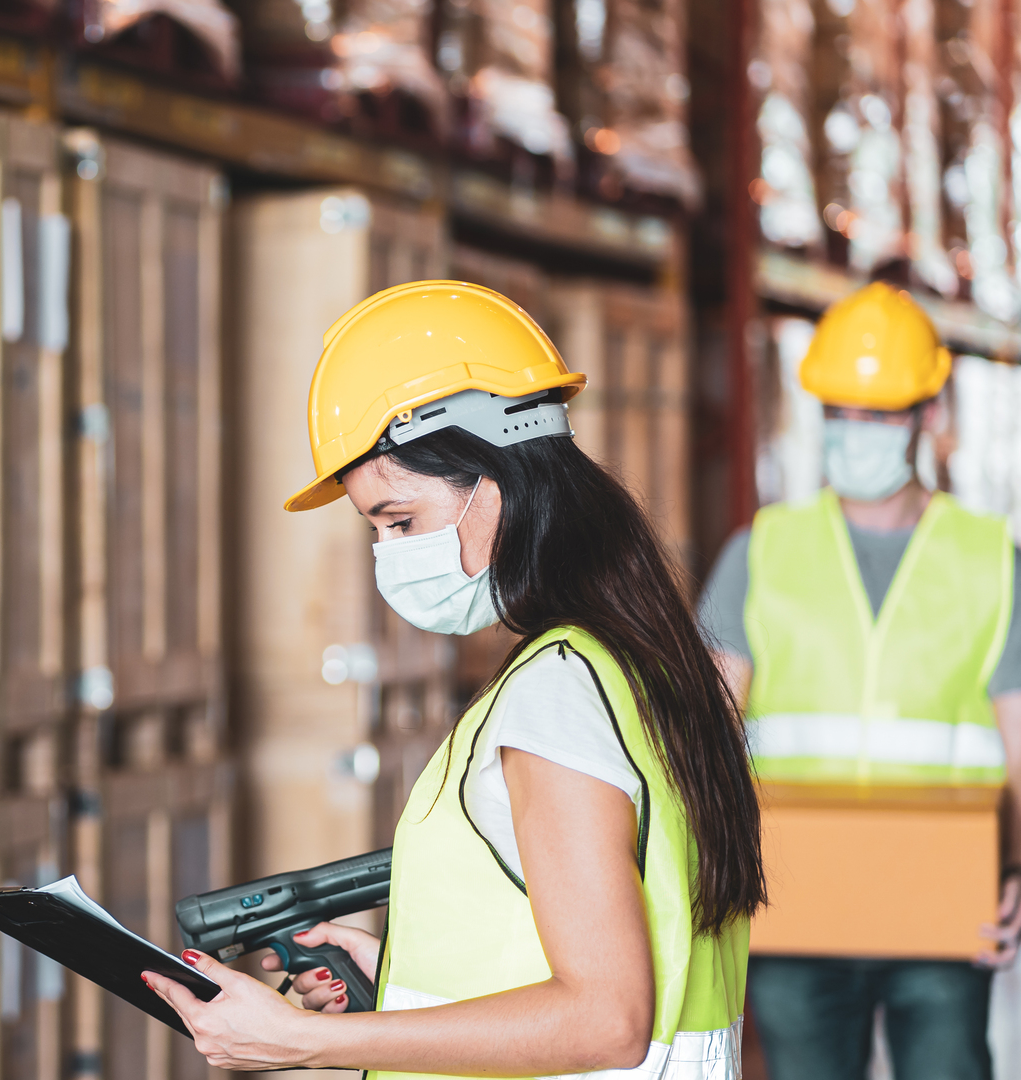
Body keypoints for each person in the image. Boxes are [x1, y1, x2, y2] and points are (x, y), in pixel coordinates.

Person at [142, 281, 763, 1076]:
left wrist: (307, 1039)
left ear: (490, 485)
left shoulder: (560, 688)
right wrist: (406, 993)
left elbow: (607, 1018)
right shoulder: (640, 663)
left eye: (400, 522)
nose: (391, 556)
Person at [698, 282, 1021, 1080]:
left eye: (878, 413)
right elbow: (703, 736)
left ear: (928, 414)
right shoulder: (764, 551)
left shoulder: (990, 560)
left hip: (944, 904)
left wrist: (1019, 867)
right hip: (797, 903)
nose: (856, 432)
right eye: (840, 412)